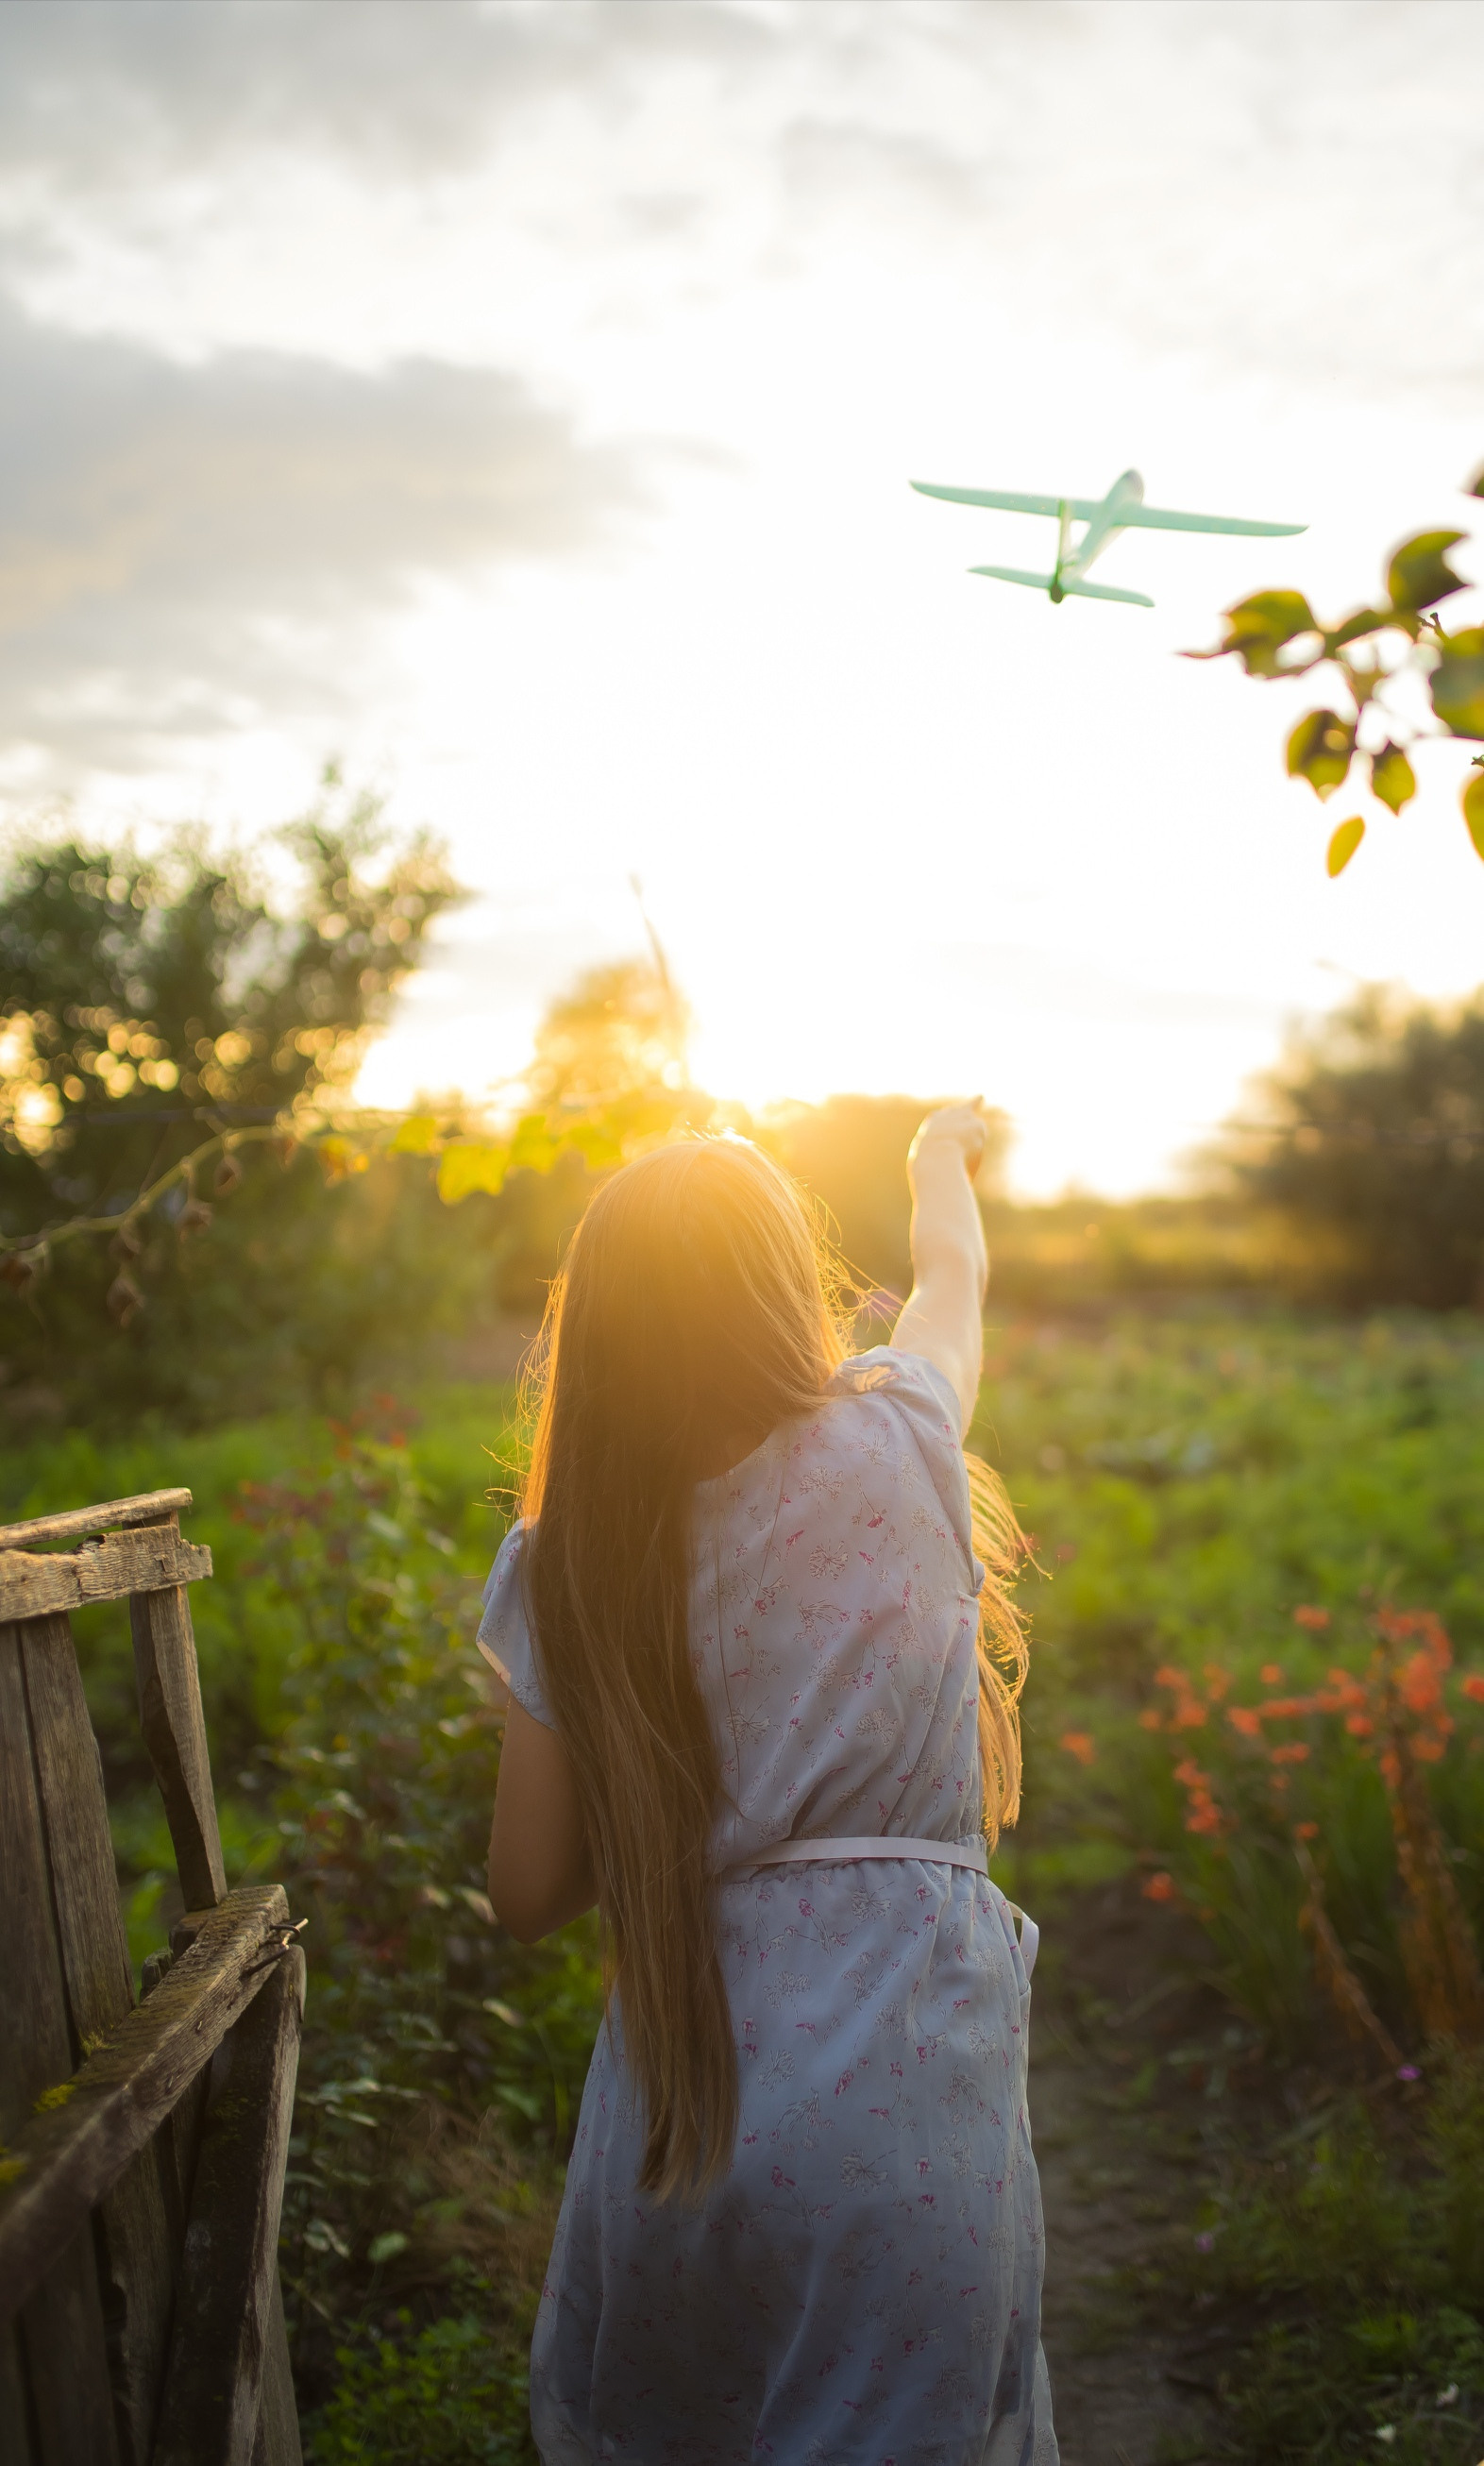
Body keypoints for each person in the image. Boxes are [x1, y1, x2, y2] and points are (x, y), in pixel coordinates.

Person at [480, 1106, 1057, 2466]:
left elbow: (524, 1894)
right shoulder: (899, 1436)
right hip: (901, 2097)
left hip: (682, 2106)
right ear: (786, 1289)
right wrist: (936, 1158)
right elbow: (953, 1286)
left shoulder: (571, 1558)